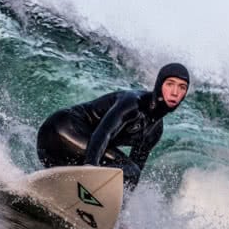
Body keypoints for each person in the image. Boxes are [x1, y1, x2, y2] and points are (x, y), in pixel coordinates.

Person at [35, 63, 190, 190]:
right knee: (129, 169)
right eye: (170, 84)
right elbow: (103, 134)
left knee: (131, 171)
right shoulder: (133, 102)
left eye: (182, 87)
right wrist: (90, 169)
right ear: (159, 85)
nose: (175, 92)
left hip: (72, 153)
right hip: (59, 131)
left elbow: (132, 176)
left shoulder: (155, 131)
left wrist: (120, 213)